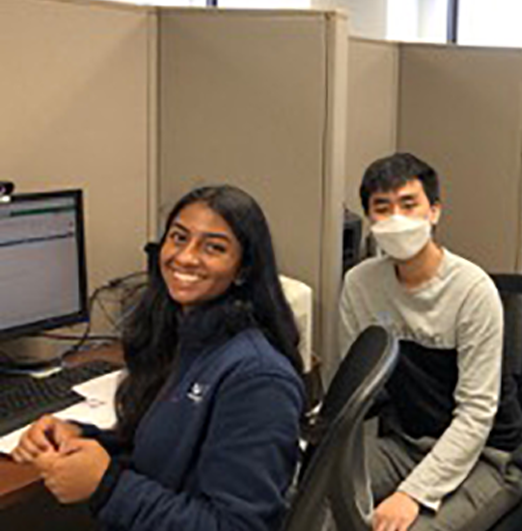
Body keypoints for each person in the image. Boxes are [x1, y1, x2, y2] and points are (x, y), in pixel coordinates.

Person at [12, 186, 306, 531]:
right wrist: (81, 437)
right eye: (179, 238)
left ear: (243, 270)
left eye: (214, 247)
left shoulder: (258, 379)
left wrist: (107, 487)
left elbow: (237, 526)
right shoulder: (188, 337)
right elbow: (161, 453)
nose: (185, 257)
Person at [339, 154, 522, 531]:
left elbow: (475, 415)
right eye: (383, 208)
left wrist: (413, 494)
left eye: (409, 205)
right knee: (310, 497)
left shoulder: (472, 291)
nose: (397, 218)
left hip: (486, 457)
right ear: (370, 220)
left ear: (434, 212)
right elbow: (356, 386)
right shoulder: (360, 285)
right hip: (406, 444)